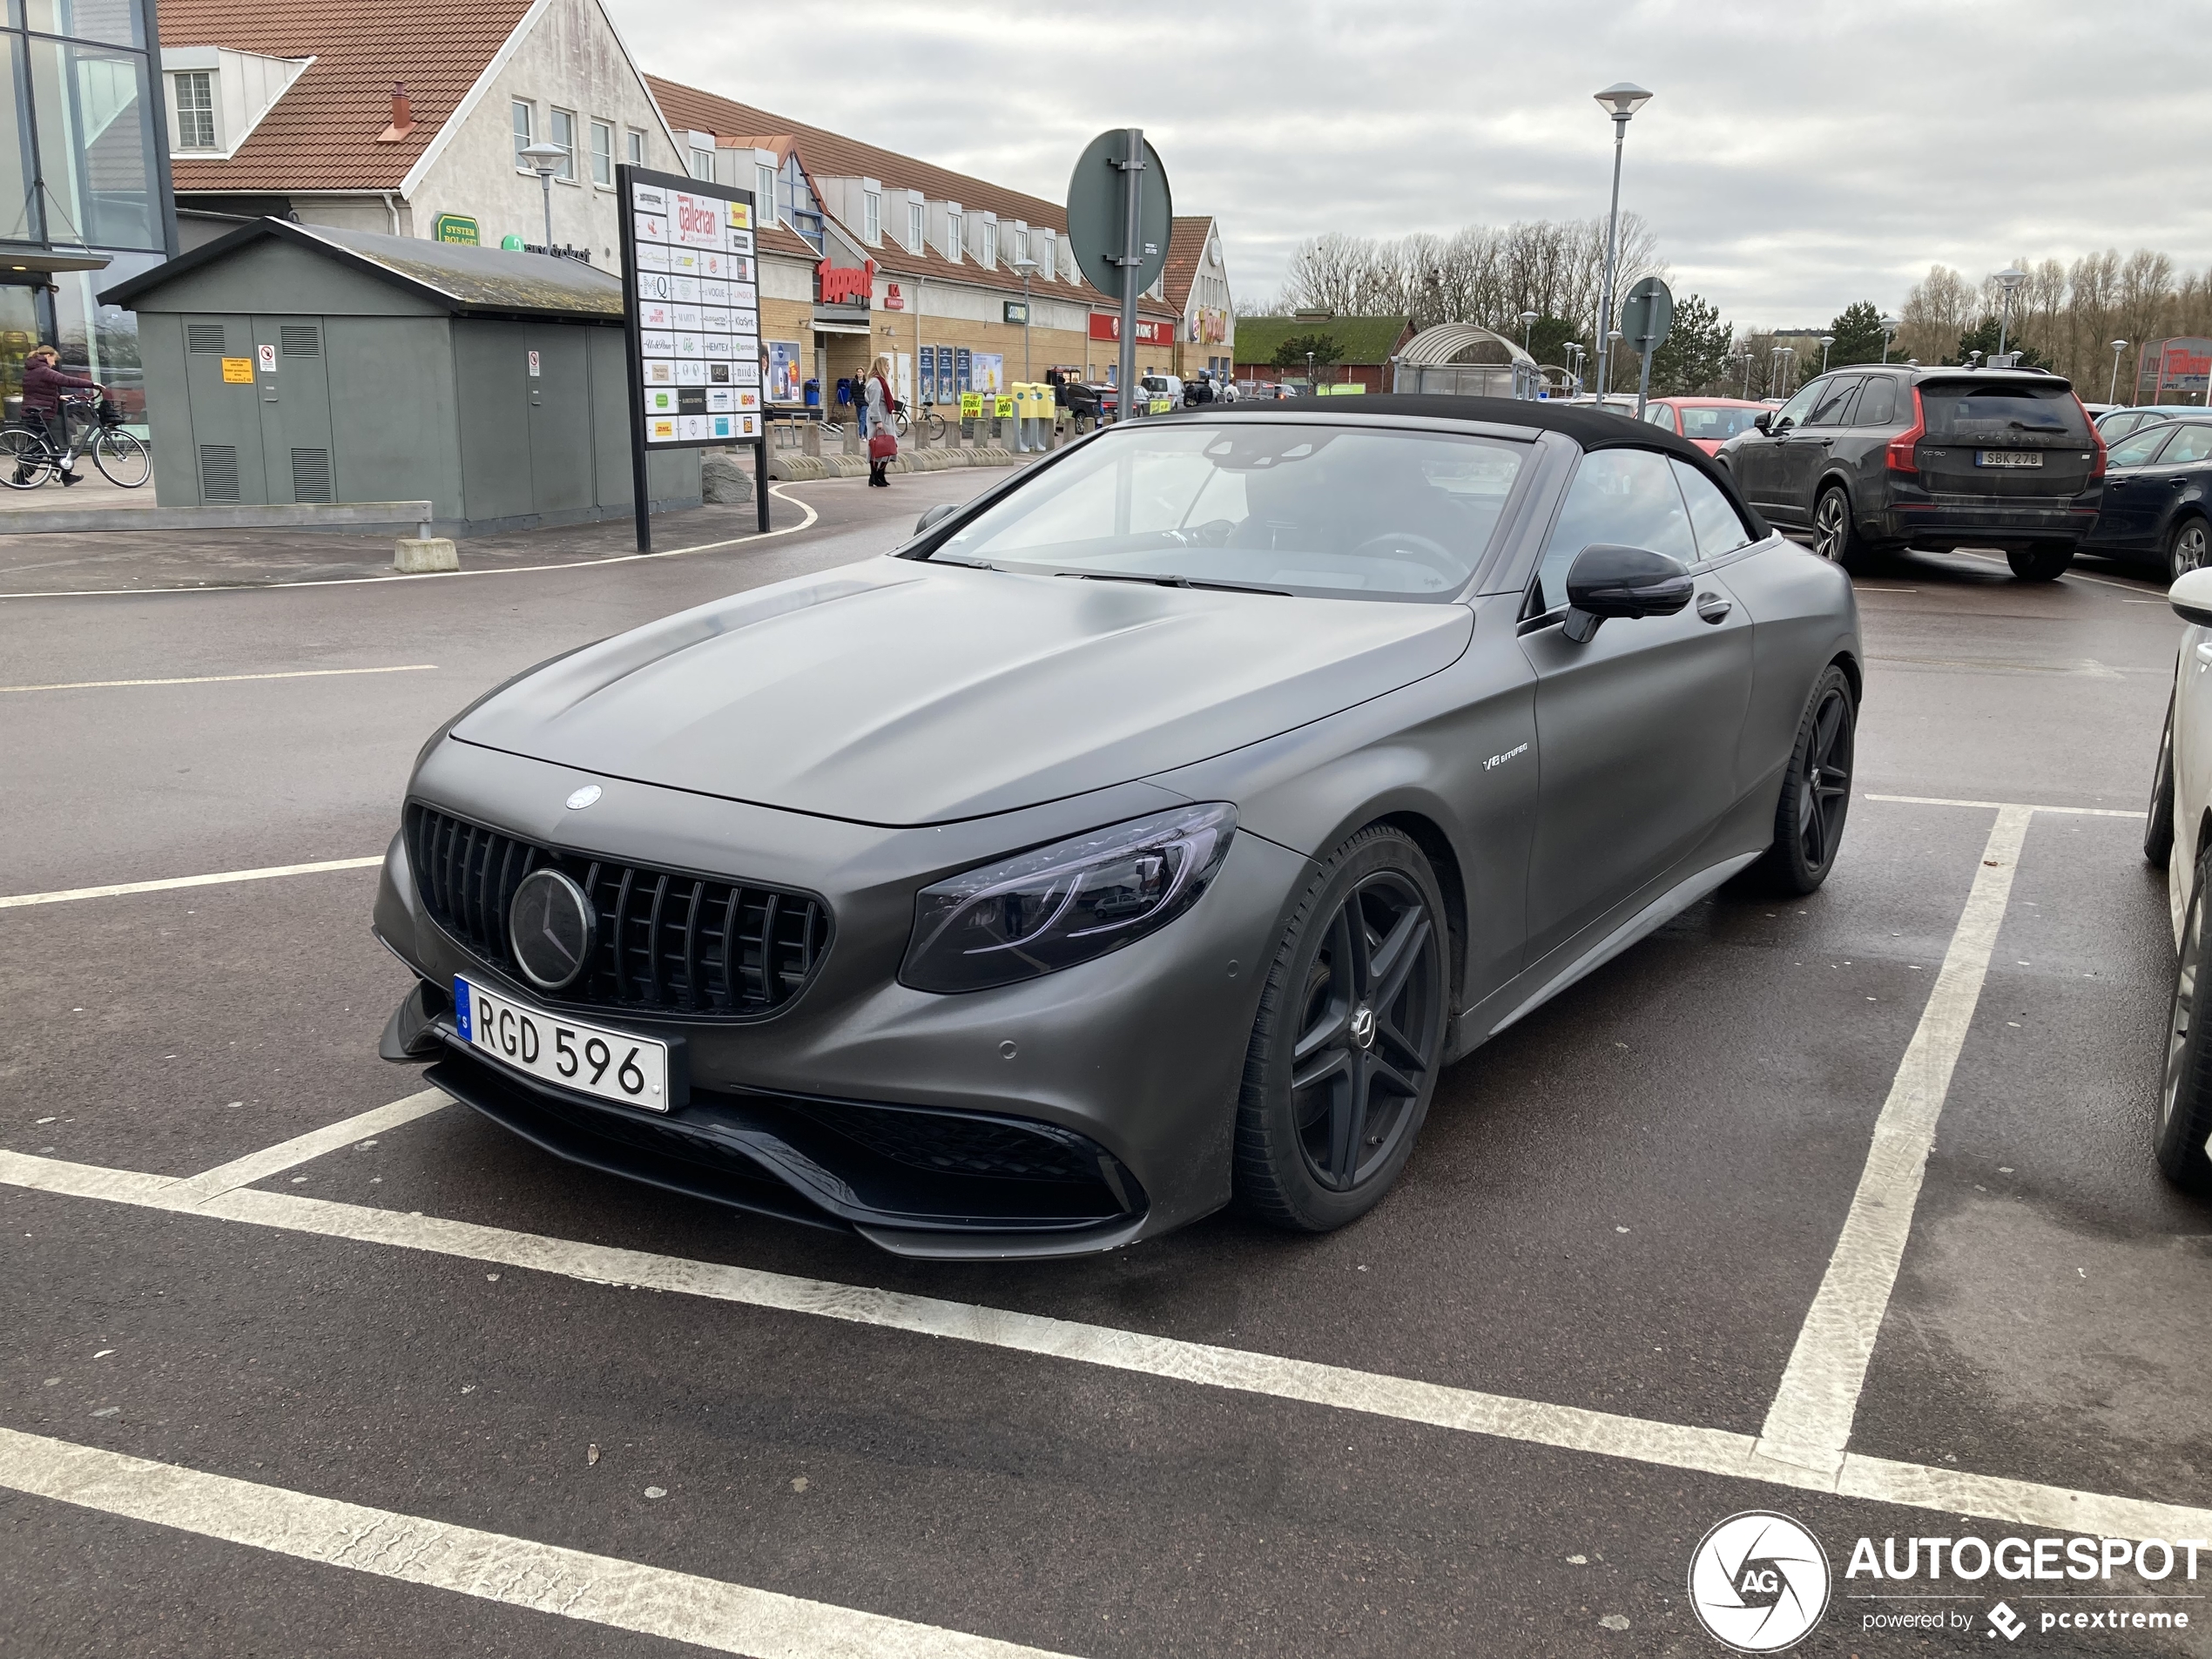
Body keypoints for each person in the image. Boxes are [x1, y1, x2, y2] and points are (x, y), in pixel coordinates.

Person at [18, 345, 105, 486]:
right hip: (42, 412)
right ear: (48, 356)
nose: (54, 364)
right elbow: (65, 380)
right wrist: (91, 384)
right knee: (40, 449)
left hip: (33, 411)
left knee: (49, 447)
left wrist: (58, 397)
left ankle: (65, 475)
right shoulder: (43, 370)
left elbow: (36, 390)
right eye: (54, 360)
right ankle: (20, 477)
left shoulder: (32, 370)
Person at [864, 354, 896, 488]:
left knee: (888, 446)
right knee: (878, 447)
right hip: (880, 418)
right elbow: (874, 404)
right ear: (881, 366)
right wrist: (877, 421)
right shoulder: (876, 383)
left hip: (885, 416)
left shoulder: (879, 381)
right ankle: (875, 475)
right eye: (887, 366)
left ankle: (880, 474)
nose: (889, 369)